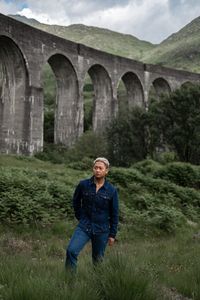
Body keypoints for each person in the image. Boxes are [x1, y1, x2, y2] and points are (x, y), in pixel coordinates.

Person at [65, 157, 119, 270]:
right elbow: (75, 201)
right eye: (95, 168)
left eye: (100, 168)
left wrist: (112, 234)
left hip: (102, 229)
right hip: (84, 226)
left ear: (106, 171)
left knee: (98, 260)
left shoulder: (111, 190)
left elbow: (114, 214)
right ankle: (69, 282)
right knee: (71, 251)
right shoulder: (83, 185)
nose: (97, 170)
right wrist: (80, 217)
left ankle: (97, 283)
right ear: (93, 169)